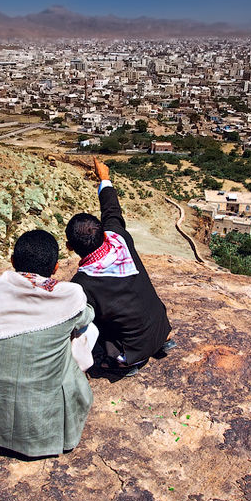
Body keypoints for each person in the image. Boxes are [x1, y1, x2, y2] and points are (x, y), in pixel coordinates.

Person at [0, 229, 96, 457]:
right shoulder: (70, 296)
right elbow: (86, 317)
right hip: (43, 415)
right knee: (90, 330)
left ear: (12, 261)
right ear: (55, 268)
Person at [65, 158, 174, 376]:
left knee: (92, 322)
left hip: (133, 350)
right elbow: (111, 208)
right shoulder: (119, 237)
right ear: (103, 233)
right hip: (162, 328)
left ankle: (120, 362)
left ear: (69, 247)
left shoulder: (82, 283)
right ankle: (161, 343)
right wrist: (104, 178)